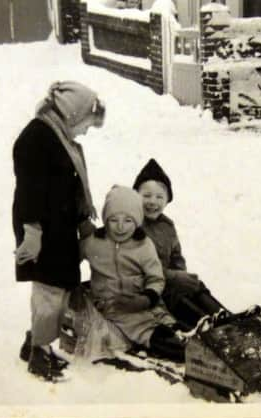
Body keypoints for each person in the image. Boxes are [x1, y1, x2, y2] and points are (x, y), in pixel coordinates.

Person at [13, 80, 105, 382]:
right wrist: (32, 233)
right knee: (48, 290)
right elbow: (28, 192)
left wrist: (83, 221)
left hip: (60, 226)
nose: (85, 132)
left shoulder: (59, 136)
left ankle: (33, 343)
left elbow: (72, 186)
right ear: (73, 114)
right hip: (40, 228)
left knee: (61, 286)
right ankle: (39, 354)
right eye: (86, 125)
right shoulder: (35, 139)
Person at [80, 185, 186, 362]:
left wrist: (147, 298)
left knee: (168, 321)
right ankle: (181, 351)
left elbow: (156, 278)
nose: (120, 227)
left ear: (137, 221)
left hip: (143, 300)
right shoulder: (93, 243)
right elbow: (67, 259)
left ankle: (192, 339)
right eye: (114, 220)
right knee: (144, 329)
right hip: (115, 305)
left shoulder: (144, 245)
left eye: (128, 220)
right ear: (106, 219)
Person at [133, 159, 231, 330]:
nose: (152, 202)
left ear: (167, 200)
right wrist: (175, 278)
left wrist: (181, 275)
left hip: (168, 279)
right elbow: (138, 268)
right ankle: (203, 322)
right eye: (146, 196)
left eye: (159, 197)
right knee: (173, 294)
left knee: (194, 285)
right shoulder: (133, 225)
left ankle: (224, 316)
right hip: (147, 286)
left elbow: (176, 256)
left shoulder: (167, 226)